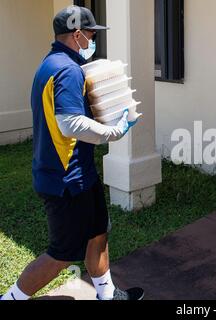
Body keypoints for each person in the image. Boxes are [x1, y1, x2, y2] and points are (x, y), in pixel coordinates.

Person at [1, 6, 144, 300]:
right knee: (62, 254)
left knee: (98, 232)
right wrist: (114, 132)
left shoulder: (52, 62)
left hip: (80, 173)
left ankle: (107, 295)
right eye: (91, 34)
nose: (93, 40)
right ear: (77, 34)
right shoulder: (66, 70)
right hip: (66, 180)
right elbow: (71, 123)